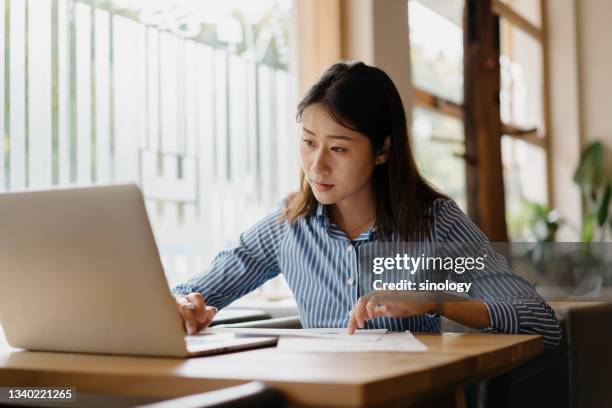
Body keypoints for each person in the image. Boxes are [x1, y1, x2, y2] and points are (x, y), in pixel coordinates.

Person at [172, 61, 562, 347]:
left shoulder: (436, 224)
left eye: (339, 148)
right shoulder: (288, 226)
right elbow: (192, 293)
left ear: (383, 150)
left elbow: (542, 320)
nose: (316, 165)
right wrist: (182, 304)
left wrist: (433, 301)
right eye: (309, 143)